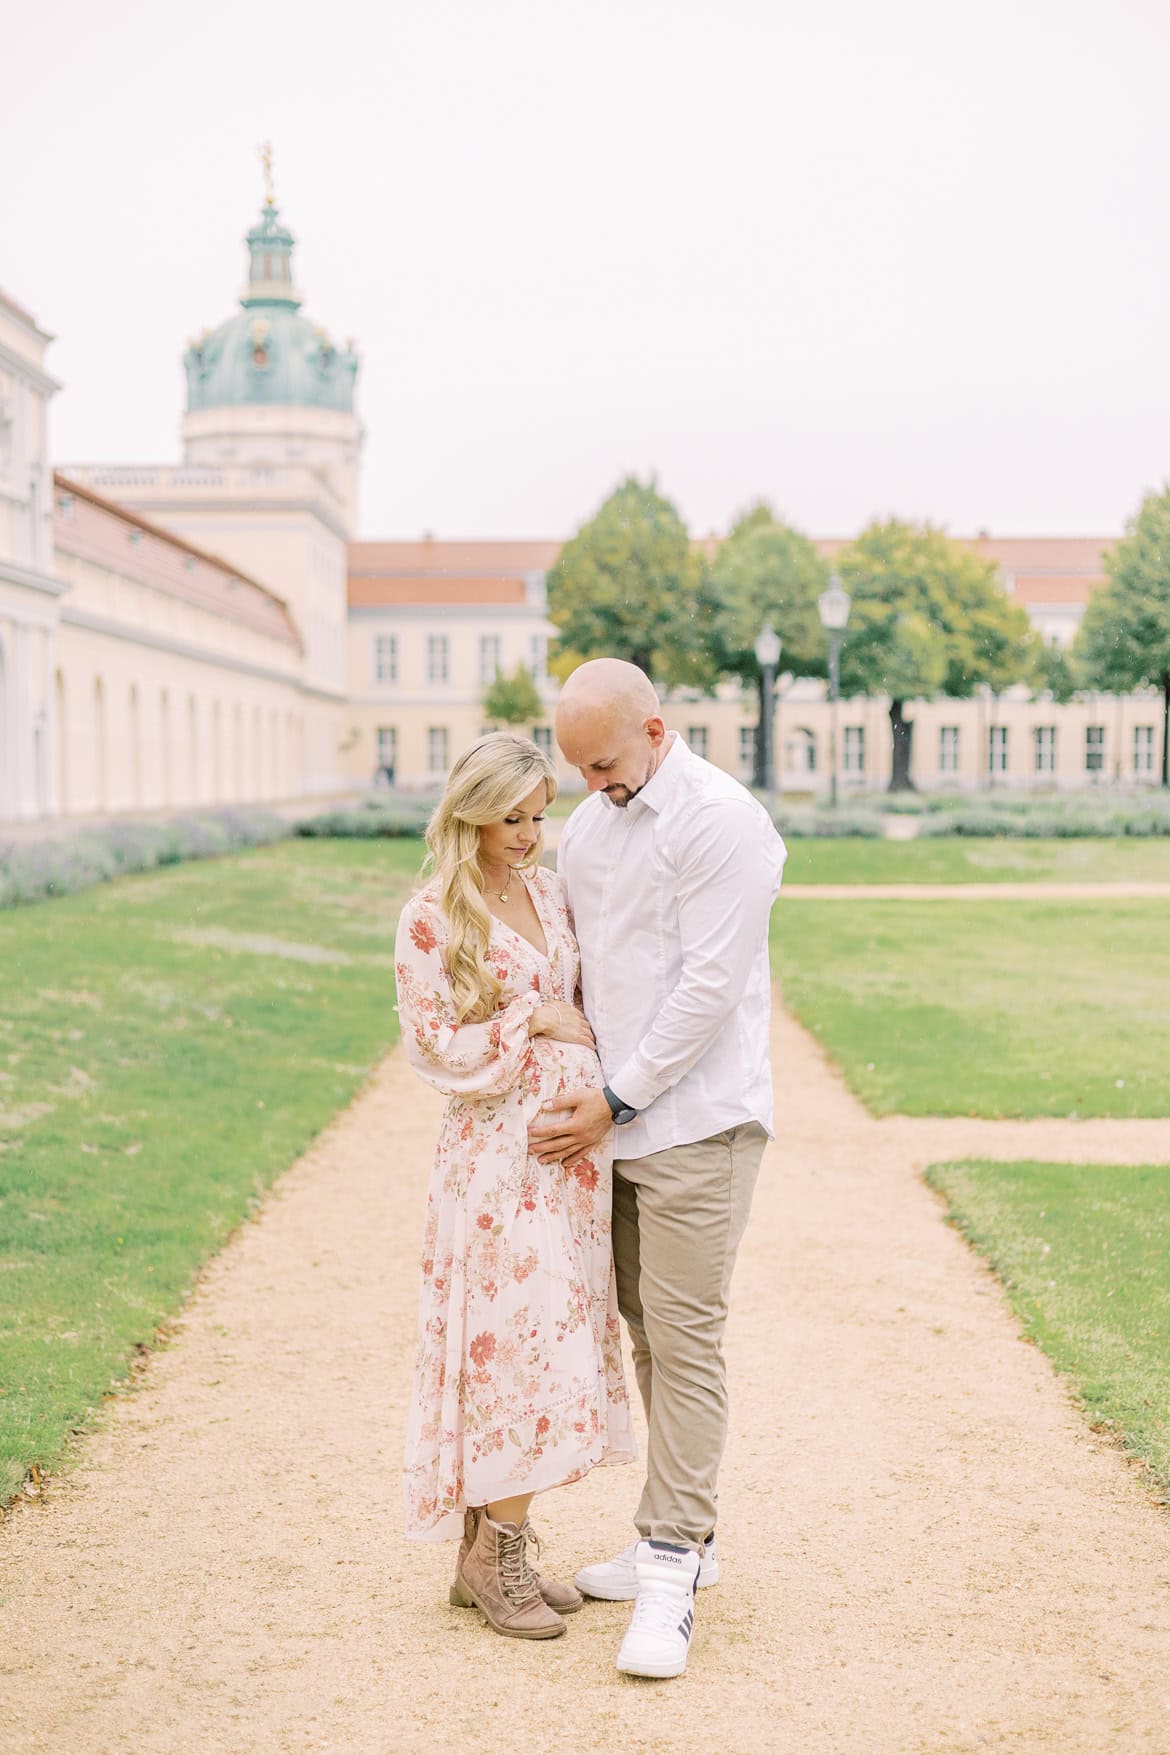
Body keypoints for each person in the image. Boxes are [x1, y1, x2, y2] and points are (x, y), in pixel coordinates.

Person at [529, 659, 786, 1679]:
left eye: (604, 762)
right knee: (645, 1329)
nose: (592, 784)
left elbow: (709, 988)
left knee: (685, 1340)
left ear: (655, 727)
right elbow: (584, 961)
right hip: (618, 1128)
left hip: (699, 1122)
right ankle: (680, 1538)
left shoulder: (723, 821)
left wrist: (618, 1097)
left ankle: (674, 1565)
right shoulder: (593, 825)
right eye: (578, 770)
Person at [394, 731, 634, 1642]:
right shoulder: (430, 916)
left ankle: (481, 1548)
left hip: (568, 1159)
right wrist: (530, 1018)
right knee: (517, 1343)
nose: (532, 834)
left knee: (550, 1329)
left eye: (539, 814)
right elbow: (432, 1046)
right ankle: (499, 1552)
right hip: (497, 1160)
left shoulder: (543, 887)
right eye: (513, 818)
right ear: (471, 814)